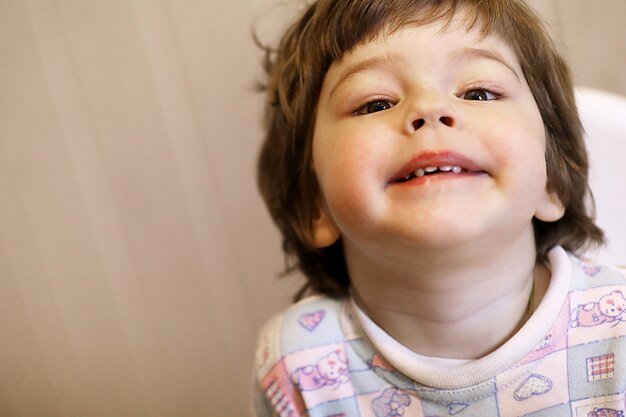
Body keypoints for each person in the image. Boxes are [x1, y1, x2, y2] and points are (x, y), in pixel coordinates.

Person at [252, 0, 626, 415]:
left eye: (478, 93)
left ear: (552, 178)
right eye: (375, 103)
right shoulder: (299, 367)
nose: (430, 108)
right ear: (313, 203)